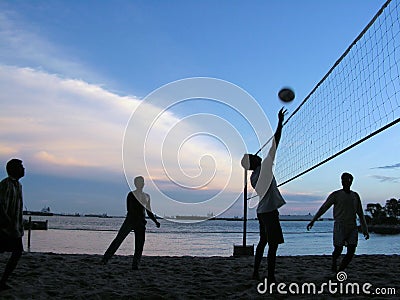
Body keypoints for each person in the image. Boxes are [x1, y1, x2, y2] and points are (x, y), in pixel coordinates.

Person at [241, 108, 287, 282]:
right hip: (268, 212)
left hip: (262, 211)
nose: (256, 155)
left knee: (263, 242)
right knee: (272, 245)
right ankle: (271, 276)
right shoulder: (264, 169)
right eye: (253, 156)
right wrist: (280, 122)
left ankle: (255, 272)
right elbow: (276, 142)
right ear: (253, 162)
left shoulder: (254, 175)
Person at [307, 172, 369, 273]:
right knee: (338, 250)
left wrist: (365, 229)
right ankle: (334, 262)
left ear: (351, 182)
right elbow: (324, 208)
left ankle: (340, 271)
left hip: (352, 226)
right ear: (341, 181)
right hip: (340, 225)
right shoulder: (336, 195)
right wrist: (313, 221)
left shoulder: (355, 196)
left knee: (351, 251)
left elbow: (361, 214)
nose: (345, 182)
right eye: (343, 180)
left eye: (347, 180)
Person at [101, 176, 160, 269]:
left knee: (140, 244)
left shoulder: (147, 196)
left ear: (144, 184)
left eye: (142, 182)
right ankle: (105, 259)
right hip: (130, 220)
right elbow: (129, 208)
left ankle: (135, 264)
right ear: (135, 184)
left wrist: (155, 221)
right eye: (139, 182)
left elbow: (149, 211)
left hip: (141, 222)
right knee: (118, 239)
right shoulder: (131, 194)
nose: (141, 184)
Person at [0, 159, 25, 291]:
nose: (24, 169)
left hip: (15, 228)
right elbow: (1, 205)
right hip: (5, 227)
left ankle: (3, 281)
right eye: (21, 167)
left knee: (17, 253)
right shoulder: (5, 184)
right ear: (14, 169)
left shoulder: (19, 185)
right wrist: (6, 221)